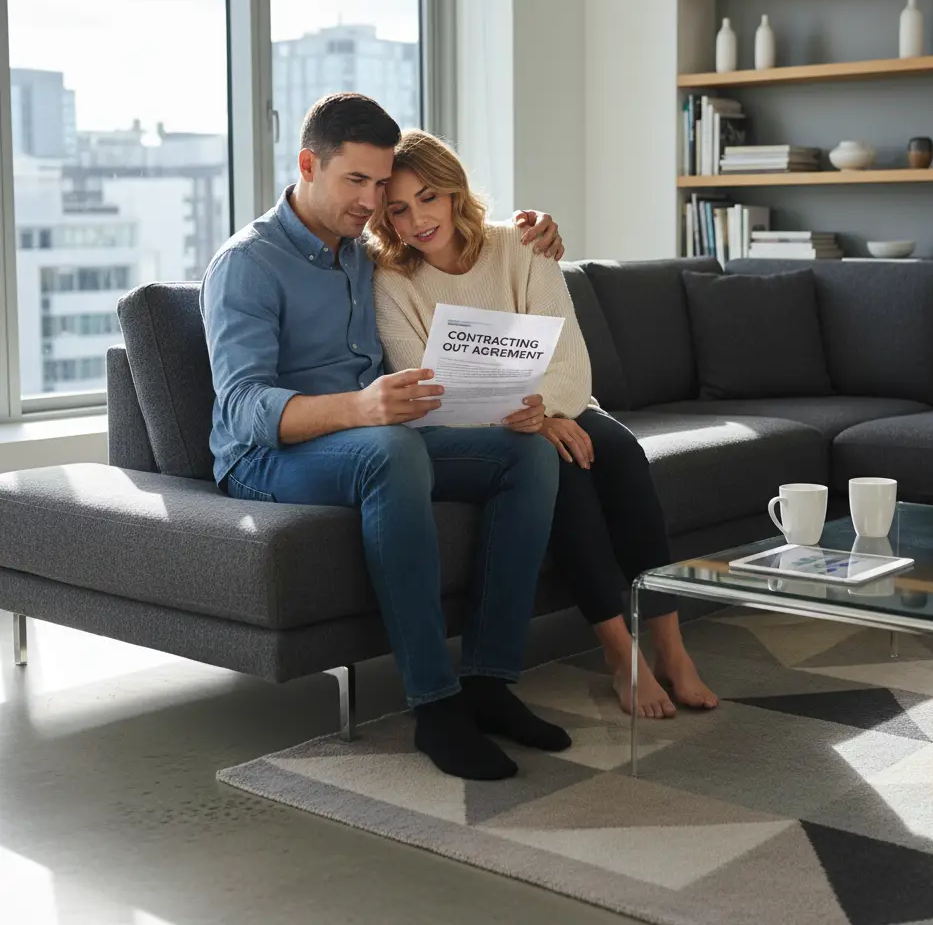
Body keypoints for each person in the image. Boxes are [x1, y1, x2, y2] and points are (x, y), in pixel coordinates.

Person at [200, 93, 573, 782]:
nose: (372, 201)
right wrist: (362, 408)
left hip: (374, 434)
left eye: (380, 185)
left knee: (527, 452)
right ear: (309, 164)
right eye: (356, 182)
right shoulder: (246, 264)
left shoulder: (363, 251)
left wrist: (537, 228)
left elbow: (462, 236)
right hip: (268, 458)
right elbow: (246, 407)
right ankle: (435, 706)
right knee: (392, 450)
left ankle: (489, 681)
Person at [370, 129, 719, 720]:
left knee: (623, 455)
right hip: (475, 428)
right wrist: (529, 422)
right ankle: (619, 657)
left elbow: (571, 365)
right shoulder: (392, 281)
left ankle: (672, 650)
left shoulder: (523, 246)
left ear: (454, 193)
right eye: (398, 209)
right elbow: (425, 387)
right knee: (568, 471)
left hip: (556, 403)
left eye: (428, 197)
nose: (418, 219)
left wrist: (545, 412)